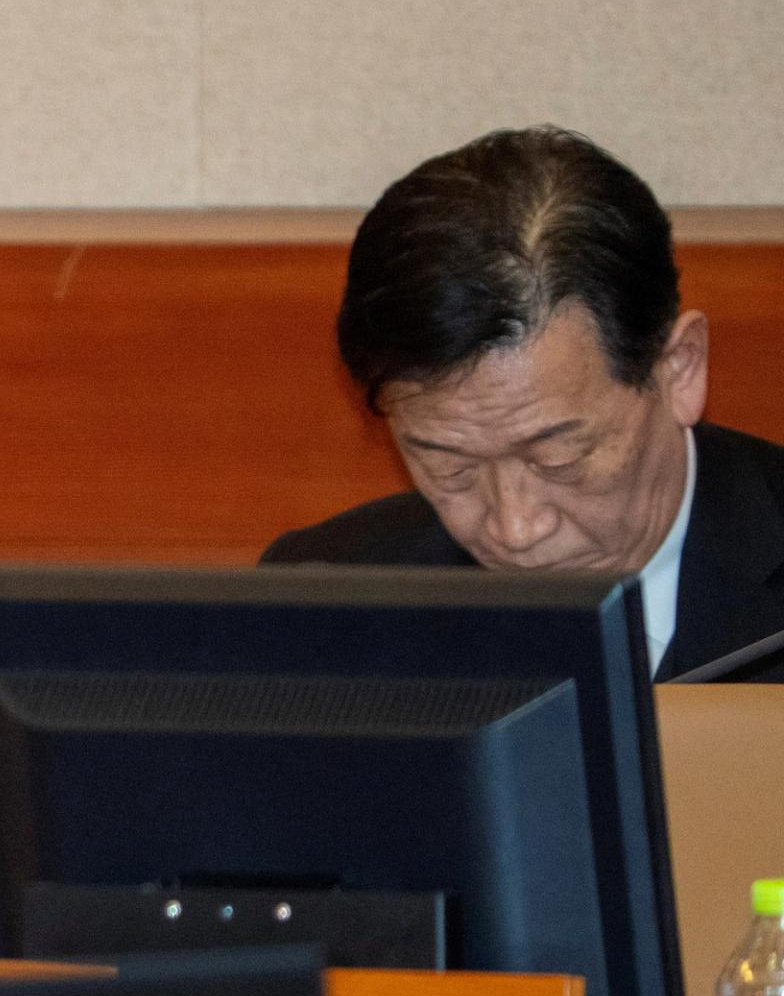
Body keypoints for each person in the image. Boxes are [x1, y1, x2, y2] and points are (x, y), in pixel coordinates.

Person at [264, 126, 784, 682]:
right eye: (451, 467)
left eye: (558, 458)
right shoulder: (330, 600)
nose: (515, 530)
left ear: (679, 368)